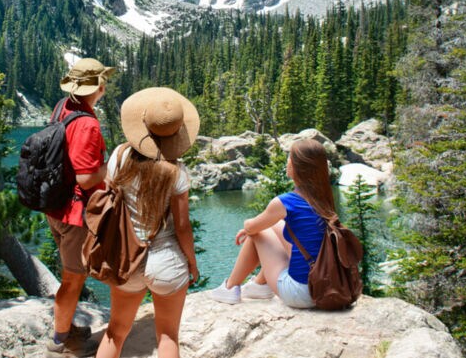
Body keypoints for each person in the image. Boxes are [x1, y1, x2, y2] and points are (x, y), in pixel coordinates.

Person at [95, 87, 200, 358]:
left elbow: (109, 199)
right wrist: (192, 263)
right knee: (167, 336)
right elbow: (182, 227)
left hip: (127, 257)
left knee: (115, 331)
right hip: (166, 260)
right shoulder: (177, 173)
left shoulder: (120, 155)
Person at [209, 138, 334, 309]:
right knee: (274, 227)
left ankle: (230, 287)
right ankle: (259, 285)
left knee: (258, 233)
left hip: (301, 293)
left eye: (290, 157)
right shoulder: (324, 198)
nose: (287, 161)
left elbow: (251, 227)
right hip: (326, 287)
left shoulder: (286, 202)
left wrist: (248, 227)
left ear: (297, 167)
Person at [46, 57, 116, 357]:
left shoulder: (64, 106)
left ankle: (66, 327)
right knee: (73, 278)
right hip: (74, 213)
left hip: (55, 205)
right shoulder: (87, 123)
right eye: (104, 81)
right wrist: (109, 168)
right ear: (99, 86)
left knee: (72, 274)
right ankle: (60, 341)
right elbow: (87, 178)